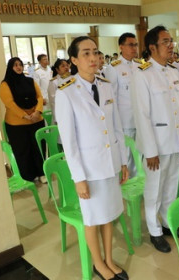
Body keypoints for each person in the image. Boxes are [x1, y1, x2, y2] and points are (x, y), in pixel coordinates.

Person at [55, 36, 129, 280]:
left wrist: (123, 161)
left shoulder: (105, 85)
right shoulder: (66, 93)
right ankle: (99, 264)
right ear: (74, 60)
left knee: (108, 215)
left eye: (95, 52)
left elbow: (116, 127)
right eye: (85, 53)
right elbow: (69, 142)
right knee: (92, 219)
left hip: (110, 164)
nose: (93, 58)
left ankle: (109, 259)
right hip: (89, 170)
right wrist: (79, 178)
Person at [131, 25, 179, 253]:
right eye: (165, 42)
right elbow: (141, 115)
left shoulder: (174, 71)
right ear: (152, 47)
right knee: (154, 189)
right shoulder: (142, 74)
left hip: (174, 141)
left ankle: (166, 222)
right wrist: (151, 150)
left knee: (171, 185)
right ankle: (154, 231)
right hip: (156, 144)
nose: (170, 45)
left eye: (171, 41)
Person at [0, 57, 46, 183]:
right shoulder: (5, 84)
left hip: (36, 120)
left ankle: (42, 173)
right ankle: (28, 176)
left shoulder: (30, 81)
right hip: (17, 124)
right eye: (15, 65)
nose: (19, 67)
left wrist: (37, 111)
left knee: (38, 148)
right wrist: (24, 115)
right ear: (10, 67)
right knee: (23, 150)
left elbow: (40, 97)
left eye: (20, 64)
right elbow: (9, 103)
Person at [104, 33, 141, 178]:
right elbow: (110, 98)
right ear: (121, 47)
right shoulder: (114, 68)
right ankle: (130, 185)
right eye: (130, 45)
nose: (134, 48)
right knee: (128, 157)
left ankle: (141, 183)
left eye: (136, 44)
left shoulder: (140, 65)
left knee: (141, 154)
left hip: (140, 118)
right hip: (125, 121)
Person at [47, 58, 71, 123]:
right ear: (57, 69)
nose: (66, 67)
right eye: (63, 66)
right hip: (61, 113)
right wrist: (56, 118)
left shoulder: (72, 79)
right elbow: (53, 102)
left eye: (67, 65)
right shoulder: (54, 82)